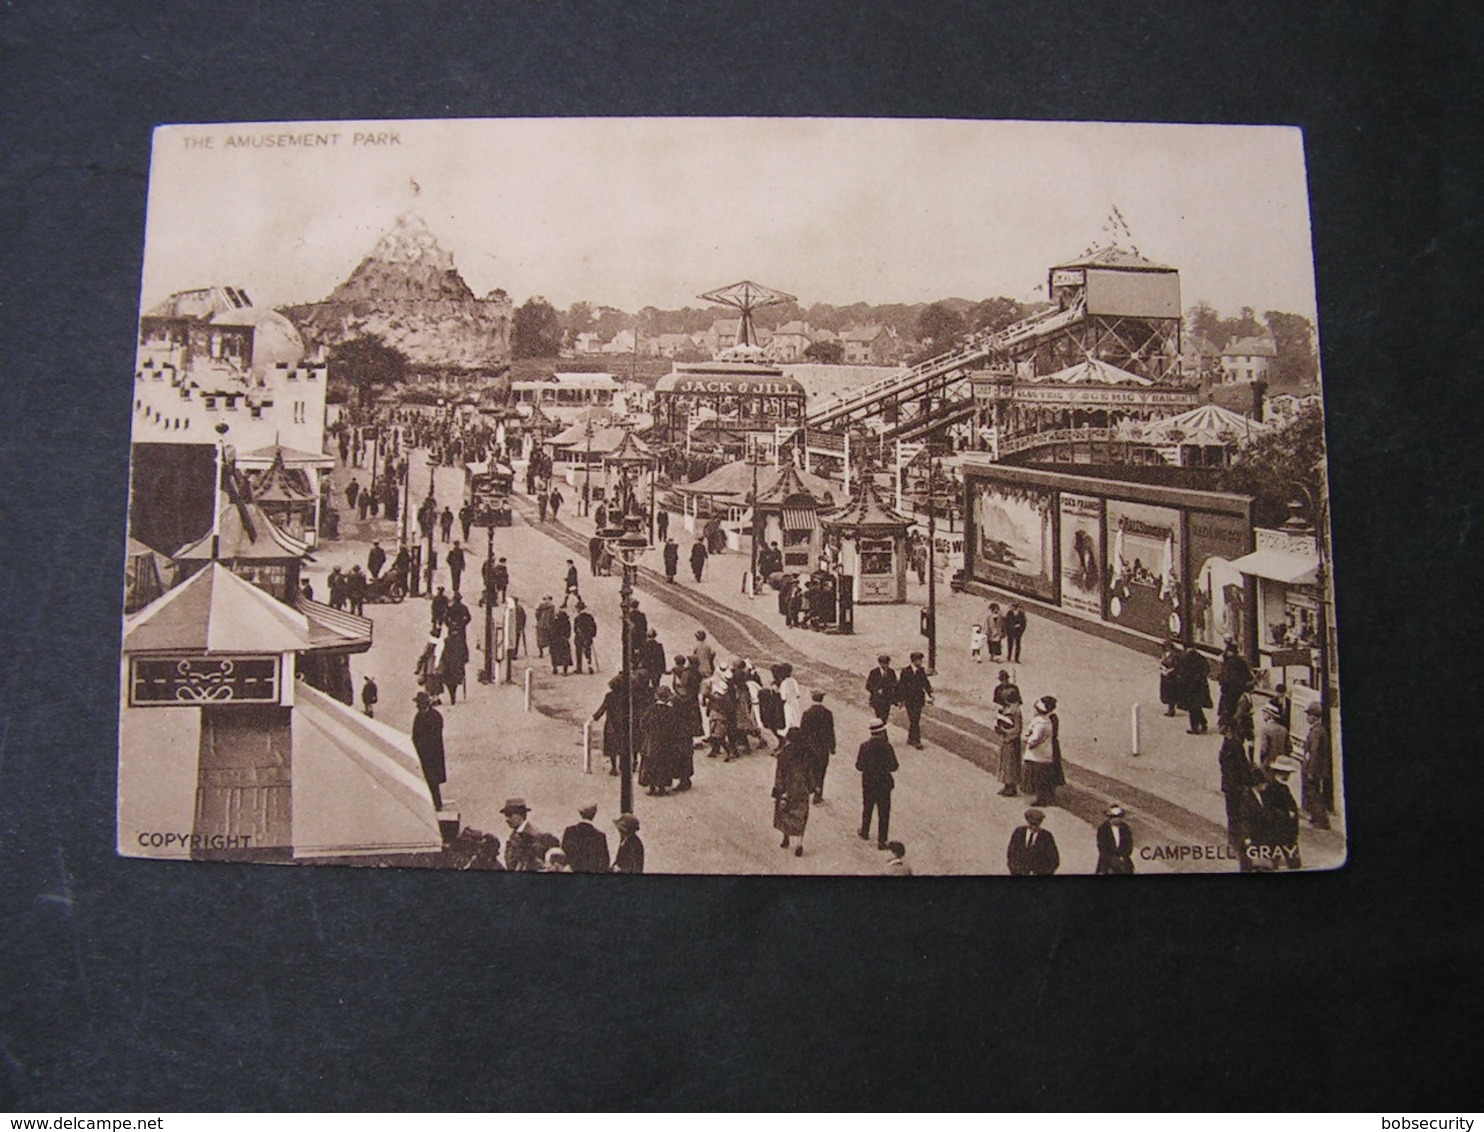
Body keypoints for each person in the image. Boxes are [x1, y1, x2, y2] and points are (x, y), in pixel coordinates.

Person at [856, 718, 899, 849]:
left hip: (869, 782)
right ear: (882, 731)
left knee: (867, 807)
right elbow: (894, 766)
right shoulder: (887, 747)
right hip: (884, 783)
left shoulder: (864, 746)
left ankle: (865, 830)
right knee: (884, 811)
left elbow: (859, 766)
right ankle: (882, 840)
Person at [772, 726, 813, 856]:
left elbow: (779, 775)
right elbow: (810, 773)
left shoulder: (784, 754)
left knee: (785, 812)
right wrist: (813, 787)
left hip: (787, 788)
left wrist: (778, 790)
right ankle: (799, 842)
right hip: (802, 788)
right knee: (801, 815)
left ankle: (786, 837)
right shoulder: (806, 754)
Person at [639, 686, 682, 796]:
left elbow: (642, 723)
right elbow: (675, 727)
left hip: (651, 742)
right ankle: (662, 787)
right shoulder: (671, 711)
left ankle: (651, 787)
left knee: (650, 763)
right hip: (666, 743)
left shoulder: (650, 709)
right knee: (664, 764)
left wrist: (647, 734)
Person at [1022, 695, 1064, 806]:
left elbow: (1038, 736)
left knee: (1046, 773)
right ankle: (1047, 794)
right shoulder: (1048, 718)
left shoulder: (1048, 720)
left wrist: (1028, 738)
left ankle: (1045, 796)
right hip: (1048, 746)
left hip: (1048, 747)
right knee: (1047, 772)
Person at [798, 689, 836, 803]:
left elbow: (803, 732)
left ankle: (810, 789)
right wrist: (832, 747)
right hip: (823, 747)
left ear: (812, 698)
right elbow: (830, 731)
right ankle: (818, 794)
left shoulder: (807, 713)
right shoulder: (828, 713)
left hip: (810, 747)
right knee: (821, 770)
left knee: (810, 768)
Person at [411, 692, 446, 811]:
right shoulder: (419, 716)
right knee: (426, 778)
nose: (417, 706)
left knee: (433, 779)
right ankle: (430, 801)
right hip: (422, 753)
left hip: (433, 754)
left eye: (418, 703)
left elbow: (434, 736)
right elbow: (414, 735)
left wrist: (423, 745)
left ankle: (437, 803)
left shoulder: (435, 716)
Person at [501, 799, 557, 872]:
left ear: (520, 814)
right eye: (506, 815)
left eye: (509, 815)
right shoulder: (513, 836)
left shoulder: (535, 835)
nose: (507, 819)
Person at [1301, 701, 1332, 830]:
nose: (1307, 717)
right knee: (1313, 793)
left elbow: (1314, 752)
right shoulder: (1319, 730)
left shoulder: (1316, 732)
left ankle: (1321, 820)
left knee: (1314, 794)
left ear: (1314, 716)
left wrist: (1310, 771)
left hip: (1314, 769)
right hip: (1317, 768)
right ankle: (1316, 817)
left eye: (1309, 715)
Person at [593, 674, 631, 776]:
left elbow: (602, 708)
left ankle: (614, 767)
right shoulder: (626, 696)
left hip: (611, 724)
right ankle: (622, 767)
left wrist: (595, 717)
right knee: (623, 745)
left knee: (612, 748)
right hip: (623, 724)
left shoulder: (609, 696)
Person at [896, 651, 934, 748]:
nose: (921, 662)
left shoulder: (921, 670)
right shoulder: (905, 671)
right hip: (909, 700)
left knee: (915, 719)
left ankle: (911, 739)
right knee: (914, 720)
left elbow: (925, 683)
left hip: (919, 699)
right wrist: (901, 700)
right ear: (914, 661)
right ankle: (916, 741)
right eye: (919, 660)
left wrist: (930, 693)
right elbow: (901, 686)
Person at [1006, 808, 1060, 875]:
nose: (1033, 827)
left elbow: (1054, 859)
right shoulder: (1018, 832)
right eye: (1031, 824)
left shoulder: (1047, 837)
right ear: (1027, 822)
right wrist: (1015, 869)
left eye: (1036, 825)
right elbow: (1011, 853)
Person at [561, 804, 612, 874]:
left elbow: (563, 855)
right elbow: (604, 862)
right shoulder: (600, 836)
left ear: (580, 813)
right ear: (594, 814)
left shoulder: (570, 831)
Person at [1216, 638, 1254, 731]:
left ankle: (1227, 726)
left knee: (1228, 708)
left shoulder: (1229, 662)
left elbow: (1227, 676)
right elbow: (1247, 675)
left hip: (1230, 690)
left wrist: (1222, 681)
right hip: (1239, 689)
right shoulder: (1240, 661)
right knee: (1238, 707)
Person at [994, 687, 1025, 797]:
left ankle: (1012, 787)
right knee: (1005, 763)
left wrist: (1006, 732)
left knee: (1011, 764)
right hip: (1005, 740)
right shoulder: (1007, 709)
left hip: (1011, 741)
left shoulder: (1016, 711)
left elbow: (1017, 728)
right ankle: (1006, 785)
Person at [706, 664, 739, 761]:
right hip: (724, 713)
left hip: (724, 714)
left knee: (721, 734)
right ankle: (717, 750)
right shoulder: (729, 687)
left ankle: (730, 751)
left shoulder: (726, 691)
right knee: (720, 733)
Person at [1179, 644, 1213, 734]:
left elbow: (1181, 672)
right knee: (1196, 706)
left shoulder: (1184, 658)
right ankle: (1203, 722)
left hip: (1189, 687)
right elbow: (1207, 669)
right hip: (1200, 686)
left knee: (1192, 708)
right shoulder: (1200, 657)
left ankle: (1195, 728)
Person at [1095, 803, 1135, 875]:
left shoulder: (1126, 828)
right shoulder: (1103, 829)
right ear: (1109, 818)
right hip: (1107, 862)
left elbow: (1129, 845)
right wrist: (1112, 859)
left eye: (1119, 817)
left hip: (1123, 861)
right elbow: (1102, 847)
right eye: (1114, 817)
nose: (1117, 819)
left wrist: (1123, 857)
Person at [1257, 699, 1290, 769]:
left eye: (1265, 713)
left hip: (1268, 763)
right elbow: (1289, 748)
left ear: (1270, 715)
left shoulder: (1265, 729)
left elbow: (1264, 749)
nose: (1263, 715)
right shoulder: (1284, 729)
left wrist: (1262, 761)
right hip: (1281, 763)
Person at [866, 654, 897, 724]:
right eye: (885, 663)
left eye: (887, 663)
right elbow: (868, 685)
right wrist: (876, 690)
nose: (886, 665)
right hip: (877, 699)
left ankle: (882, 732)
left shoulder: (891, 672)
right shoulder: (874, 672)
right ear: (880, 663)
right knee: (879, 718)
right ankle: (881, 733)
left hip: (887, 699)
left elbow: (895, 683)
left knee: (885, 718)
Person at [573, 602, 598, 674]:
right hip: (588, 637)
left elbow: (575, 629)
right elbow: (594, 626)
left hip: (579, 637)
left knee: (579, 652)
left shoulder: (577, 618)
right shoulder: (589, 617)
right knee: (588, 651)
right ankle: (589, 666)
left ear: (578, 609)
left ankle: (579, 668)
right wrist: (592, 635)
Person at [1159, 640, 1182, 717]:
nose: (1167, 649)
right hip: (1165, 675)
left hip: (1172, 677)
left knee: (1171, 693)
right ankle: (1170, 709)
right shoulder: (1164, 654)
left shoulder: (1175, 655)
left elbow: (1176, 666)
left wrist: (1168, 671)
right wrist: (1162, 669)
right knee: (1166, 692)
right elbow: (1161, 663)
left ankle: (1171, 710)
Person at [549, 607, 573, 675]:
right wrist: (566, 637)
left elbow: (552, 631)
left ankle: (555, 668)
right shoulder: (567, 622)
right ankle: (565, 671)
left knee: (555, 655)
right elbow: (569, 632)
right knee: (565, 656)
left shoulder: (555, 622)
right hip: (564, 640)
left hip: (556, 641)